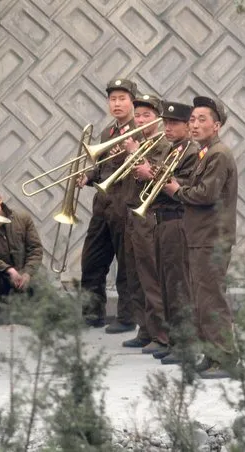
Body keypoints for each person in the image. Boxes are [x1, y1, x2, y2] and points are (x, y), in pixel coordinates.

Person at [163, 96, 237, 379]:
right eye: (192, 119)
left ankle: (226, 358)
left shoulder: (218, 154)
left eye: (201, 119)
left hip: (211, 238)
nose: (194, 124)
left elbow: (206, 194)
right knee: (202, 299)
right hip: (201, 236)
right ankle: (212, 354)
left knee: (211, 299)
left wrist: (175, 191)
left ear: (216, 125)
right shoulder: (207, 152)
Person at [131, 101, 199, 359]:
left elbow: (187, 184)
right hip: (161, 221)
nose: (168, 127)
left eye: (174, 124)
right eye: (166, 123)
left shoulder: (190, 152)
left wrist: (153, 175)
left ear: (186, 125)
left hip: (177, 220)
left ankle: (185, 345)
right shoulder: (174, 149)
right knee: (167, 284)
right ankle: (173, 341)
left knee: (178, 285)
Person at [77, 78, 137, 333]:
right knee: (91, 261)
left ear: (132, 101)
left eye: (122, 99)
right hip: (103, 206)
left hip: (125, 207)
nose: (117, 104)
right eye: (113, 99)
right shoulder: (107, 133)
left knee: (126, 264)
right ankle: (92, 314)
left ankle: (126, 317)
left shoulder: (140, 131)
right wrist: (89, 177)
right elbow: (103, 169)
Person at [121, 94, 168, 349]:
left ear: (158, 119)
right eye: (137, 115)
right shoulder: (138, 142)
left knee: (151, 275)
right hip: (131, 214)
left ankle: (160, 334)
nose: (140, 119)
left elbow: (151, 175)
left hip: (149, 217)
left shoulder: (162, 144)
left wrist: (134, 153)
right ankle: (144, 328)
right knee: (135, 276)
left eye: (146, 115)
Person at [0, 182, 43, 327]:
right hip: (1, 277)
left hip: (23, 274)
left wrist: (27, 273)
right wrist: (8, 270)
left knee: (43, 277)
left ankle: (35, 307)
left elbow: (36, 249)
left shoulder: (22, 218)